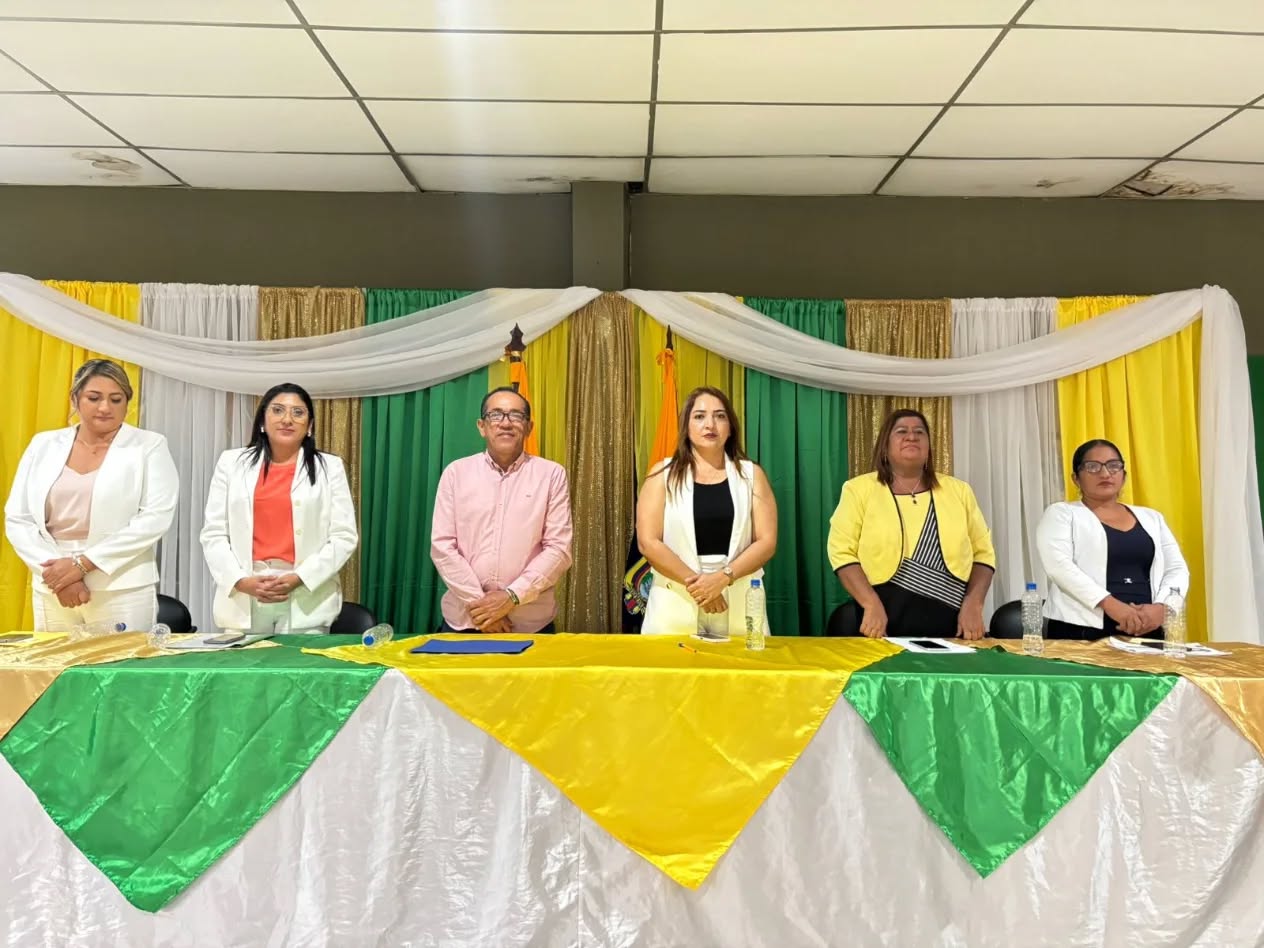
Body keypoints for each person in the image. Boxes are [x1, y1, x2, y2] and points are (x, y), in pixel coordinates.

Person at [4, 359, 178, 633]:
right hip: (54, 584)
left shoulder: (149, 445)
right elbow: (18, 518)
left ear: (127, 402)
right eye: (94, 398)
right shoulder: (43, 444)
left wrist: (82, 565)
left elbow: (155, 517)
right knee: (55, 661)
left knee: (121, 661)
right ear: (75, 399)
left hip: (121, 585)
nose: (105, 407)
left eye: (116, 399)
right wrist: (59, 576)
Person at [200, 383, 357, 634]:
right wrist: (241, 581)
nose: (287, 419)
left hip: (306, 596)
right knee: (245, 662)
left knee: (301, 661)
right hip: (246, 594)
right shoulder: (231, 463)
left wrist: (300, 577)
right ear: (262, 420)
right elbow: (214, 533)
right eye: (278, 410)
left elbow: (344, 536)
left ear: (310, 425)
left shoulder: (330, 467)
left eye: (298, 412)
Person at [828, 408, 995, 639]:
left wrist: (974, 603)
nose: (911, 436)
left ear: (928, 447)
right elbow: (841, 552)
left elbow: (983, 554)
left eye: (919, 432)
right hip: (880, 627)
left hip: (953, 628)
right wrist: (870, 603)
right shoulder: (858, 490)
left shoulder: (959, 491)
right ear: (885, 446)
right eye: (901, 431)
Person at [636, 386, 777, 637]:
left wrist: (722, 579)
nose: (710, 424)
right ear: (686, 426)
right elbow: (648, 542)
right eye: (699, 416)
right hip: (675, 598)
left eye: (720, 416)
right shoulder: (662, 475)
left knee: (742, 663)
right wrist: (700, 587)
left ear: (730, 427)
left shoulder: (752, 475)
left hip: (738, 595)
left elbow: (766, 542)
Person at [431, 386, 572, 634]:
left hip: (530, 623)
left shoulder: (551, 475)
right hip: (466, 619)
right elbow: (443, 547)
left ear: (529, 427)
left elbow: (558, 549)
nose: (506, 423)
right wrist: (483, 607)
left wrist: (511, 597)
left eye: (516, 415)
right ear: (481, 426)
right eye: (495, 415)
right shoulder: (456, 473)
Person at [1036, 439, 1189, 640]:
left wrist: (1163, 607)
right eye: (1092, 467)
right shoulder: (1062, 514)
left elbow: (1176, 568)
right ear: (1076, 478)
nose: (1105, 473)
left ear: (1124, 476)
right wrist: (1112, 605)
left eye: (1113, 466)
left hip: (1148, 628)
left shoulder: (1152, 518)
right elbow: (1059, 567)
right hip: (1081, 630)